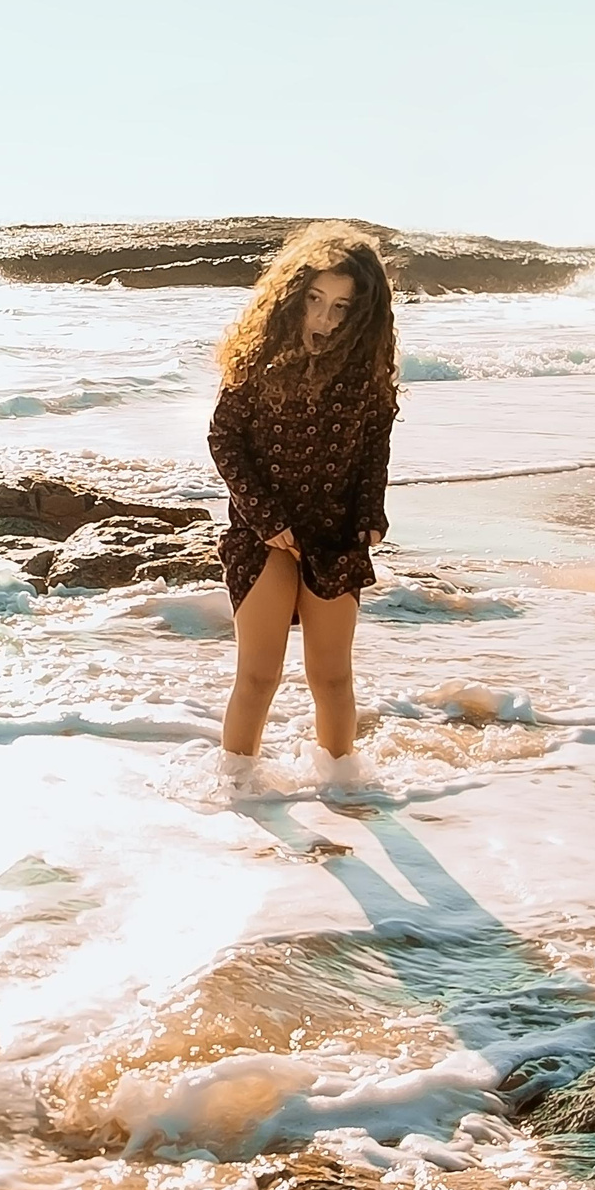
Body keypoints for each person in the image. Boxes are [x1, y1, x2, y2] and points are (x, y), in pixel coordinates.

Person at [207, 222, 399, 783]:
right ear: (292, 293)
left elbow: (373, 447)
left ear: (363, 313)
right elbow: (224, 439)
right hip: (263, 533)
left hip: (335, 532)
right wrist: (266, 519)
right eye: (315, 299)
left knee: (333, 677)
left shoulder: (365, 372)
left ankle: (341, 788)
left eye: (342, 307)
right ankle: (236, 791)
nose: (324, 318)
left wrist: (369, 514)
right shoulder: (258, 357)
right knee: (260, 675)